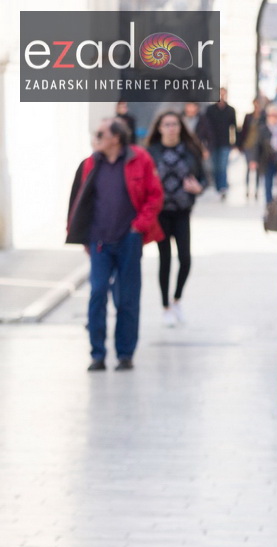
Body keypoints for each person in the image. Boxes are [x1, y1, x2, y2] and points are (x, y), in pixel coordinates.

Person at [67, 118, 165, 371]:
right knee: (97, 293)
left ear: (115, 138)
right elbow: (78, 200)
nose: (96, 138)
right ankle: (97, 354)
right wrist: (79, 234)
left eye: (101, 133)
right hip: (99, 240)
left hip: (128, 240)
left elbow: (155, 195)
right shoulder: (90, 163)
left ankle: (125, 353)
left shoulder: (139, 159)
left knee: (127, 298)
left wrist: (138, 228)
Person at [146, 111, 207, 327]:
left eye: (175, 124)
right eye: (167, 124)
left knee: (185, 259)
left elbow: (203, 178)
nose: (171, 128)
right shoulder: (151, 152)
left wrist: (198, 188)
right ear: (160, 128)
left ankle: (177, 299)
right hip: (161, 213)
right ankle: (165, 307)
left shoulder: (190, 150)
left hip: (182, 211)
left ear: (180, 127)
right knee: (165, 260)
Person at [205, 87, 237, 199]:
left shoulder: (231, 110)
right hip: (213, 143)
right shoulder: (210, 110)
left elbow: (234, 128)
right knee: (214, 166)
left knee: (223, 166)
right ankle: (217, 187)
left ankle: (223, 188)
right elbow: (206, 127)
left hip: (225, 142)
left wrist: (235, 143)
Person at [257, 104, 277, 203]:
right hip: (267, 159)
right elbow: (257, 145)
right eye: (271, 115)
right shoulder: (263, 129)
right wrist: (254, 160)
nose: (273, 118)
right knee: (268, 183)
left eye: (275, 115)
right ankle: (269, 205)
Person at [238, 97, 265, 199]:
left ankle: (257, 190)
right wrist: (239, 144)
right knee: (248, 167)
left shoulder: (264, 117)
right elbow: (243, 130)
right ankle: (247, 189)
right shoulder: (248, 116)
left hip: (259, 146)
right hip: (248, 145)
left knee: (257, 168)